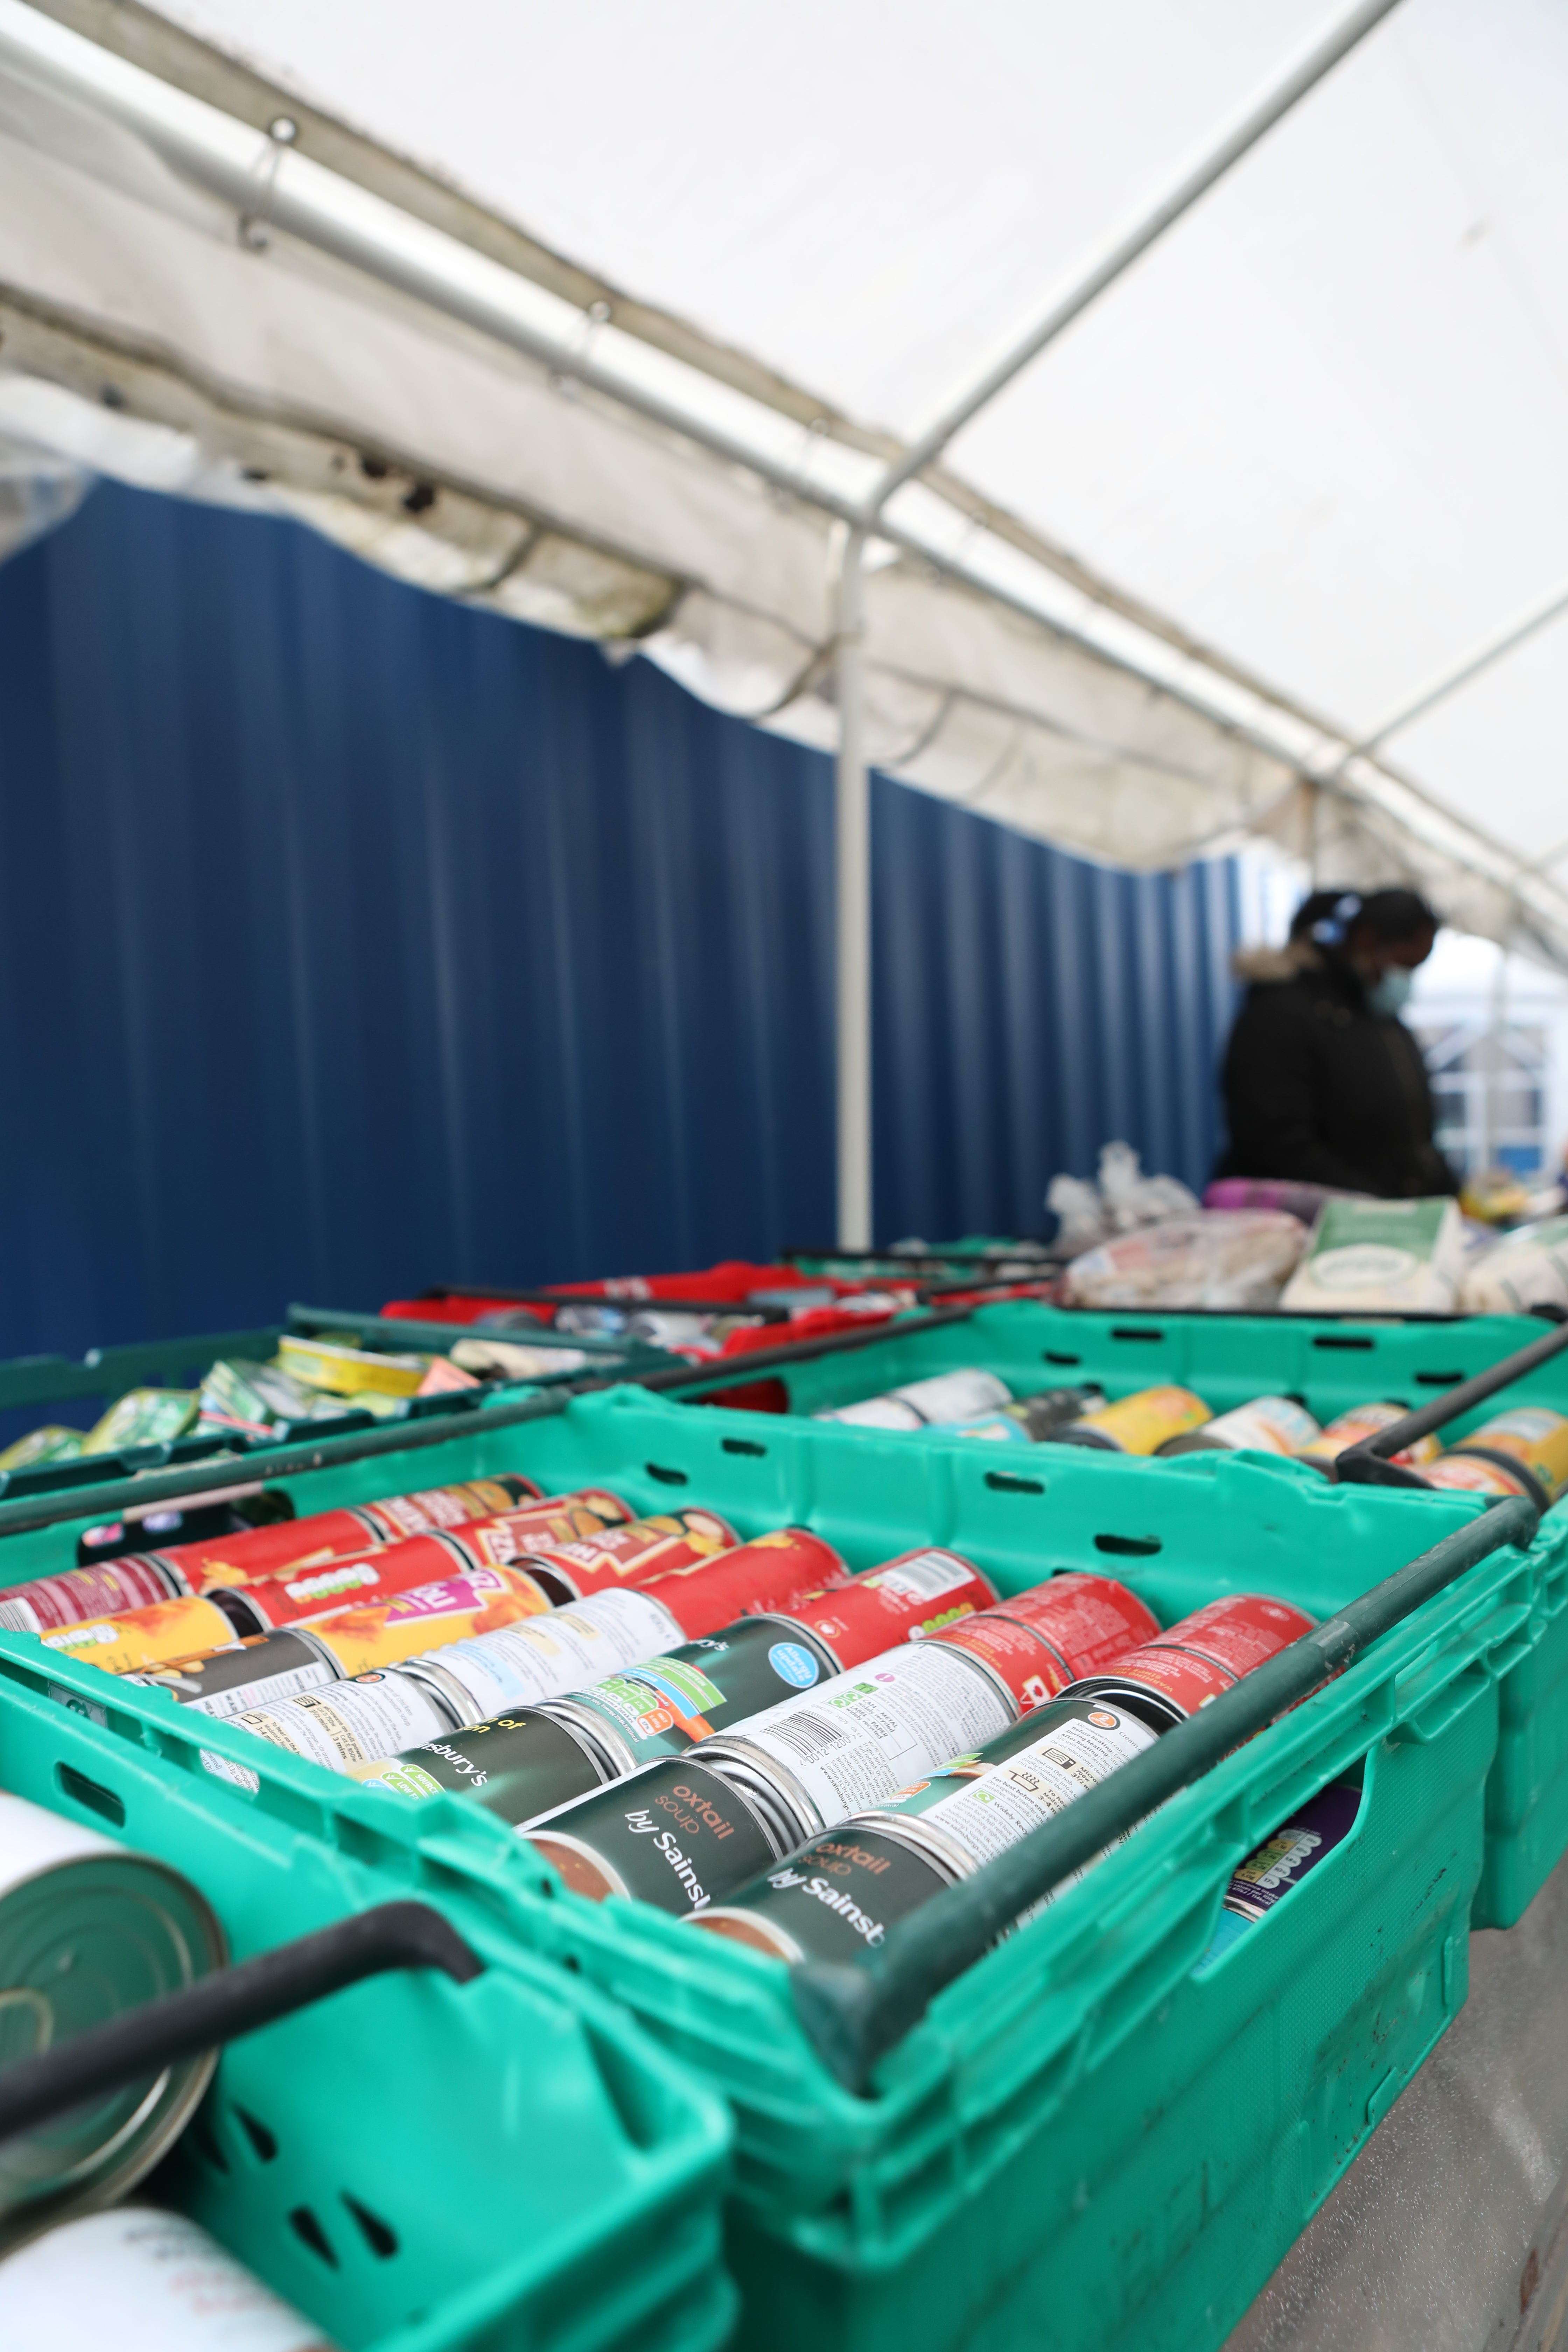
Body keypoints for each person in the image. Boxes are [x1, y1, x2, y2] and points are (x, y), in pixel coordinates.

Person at [1215, 887, 1454, 1197]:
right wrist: (1377, 1210)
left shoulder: (1381, 1020)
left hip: (1390, 1226)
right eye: (1404, 964)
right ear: (1368, 939)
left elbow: (1416, 1136)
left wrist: (1451, 1196)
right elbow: (1275, 1144)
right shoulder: (1281, 1014)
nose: (1405, 979)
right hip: (1319, 1227)